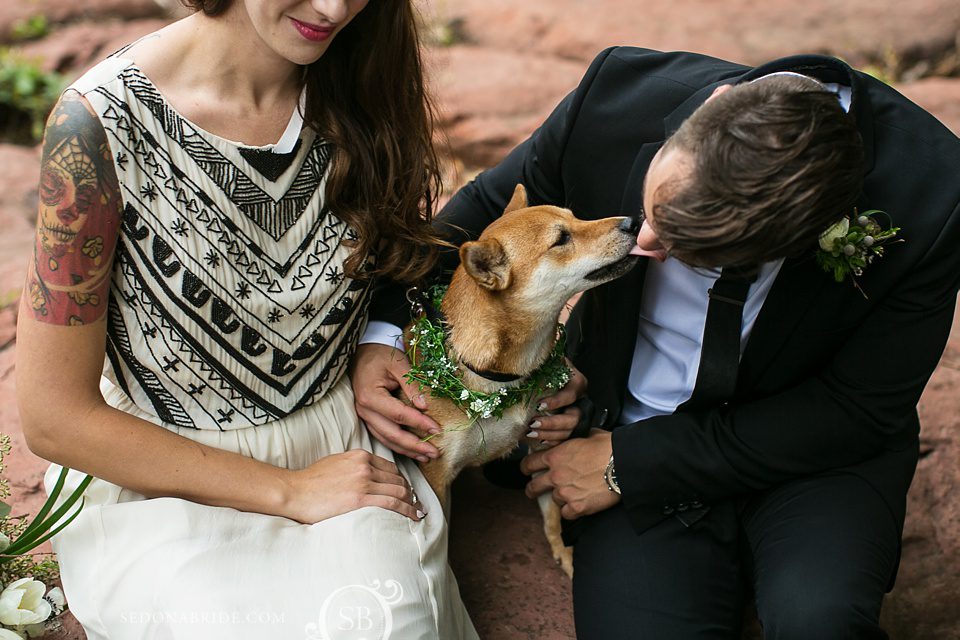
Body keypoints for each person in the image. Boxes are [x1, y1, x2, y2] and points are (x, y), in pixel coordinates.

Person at [351, 47, 960, 638]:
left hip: (810, 458)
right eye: (654, 207)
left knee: (818, 618)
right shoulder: (614, 96)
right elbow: (480, 212)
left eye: (688, 251)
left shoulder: (935, 194)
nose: (643, 242)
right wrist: (381, 336)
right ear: (712, 108)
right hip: (631, 425)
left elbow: (856, 409)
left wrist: (627, 464)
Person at [16, 1, 479, 638]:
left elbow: (401, 257)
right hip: (164, 480)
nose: (334, 8)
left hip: (344, 452)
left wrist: (378, 338)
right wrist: (289, 492)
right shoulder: (100, 124)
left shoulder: (364, 80)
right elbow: (53, 417)